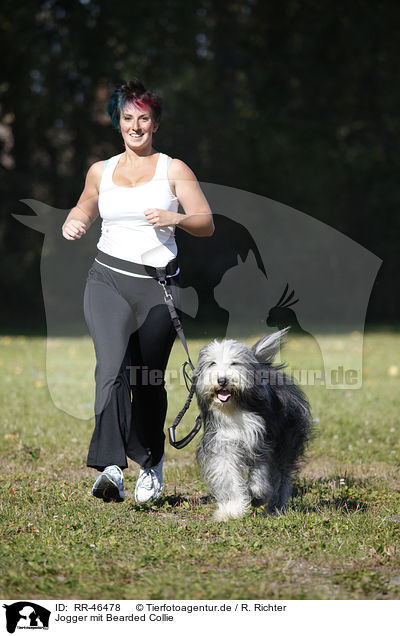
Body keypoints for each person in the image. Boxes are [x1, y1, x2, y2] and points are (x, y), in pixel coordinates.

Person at [62, 79, 214, 504]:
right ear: (118, 123)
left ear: (155, 123)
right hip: (107, 281)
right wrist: (74, 221)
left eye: (143, 118)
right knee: (110, 367)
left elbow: (206, 221)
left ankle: (151, 462)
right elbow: (84, 206)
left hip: (157, 288)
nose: (135, 125)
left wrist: (175, 217)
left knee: (146, 379)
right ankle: (111, 466)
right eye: (128, 118)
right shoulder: (101, 171)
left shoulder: (173, 169)